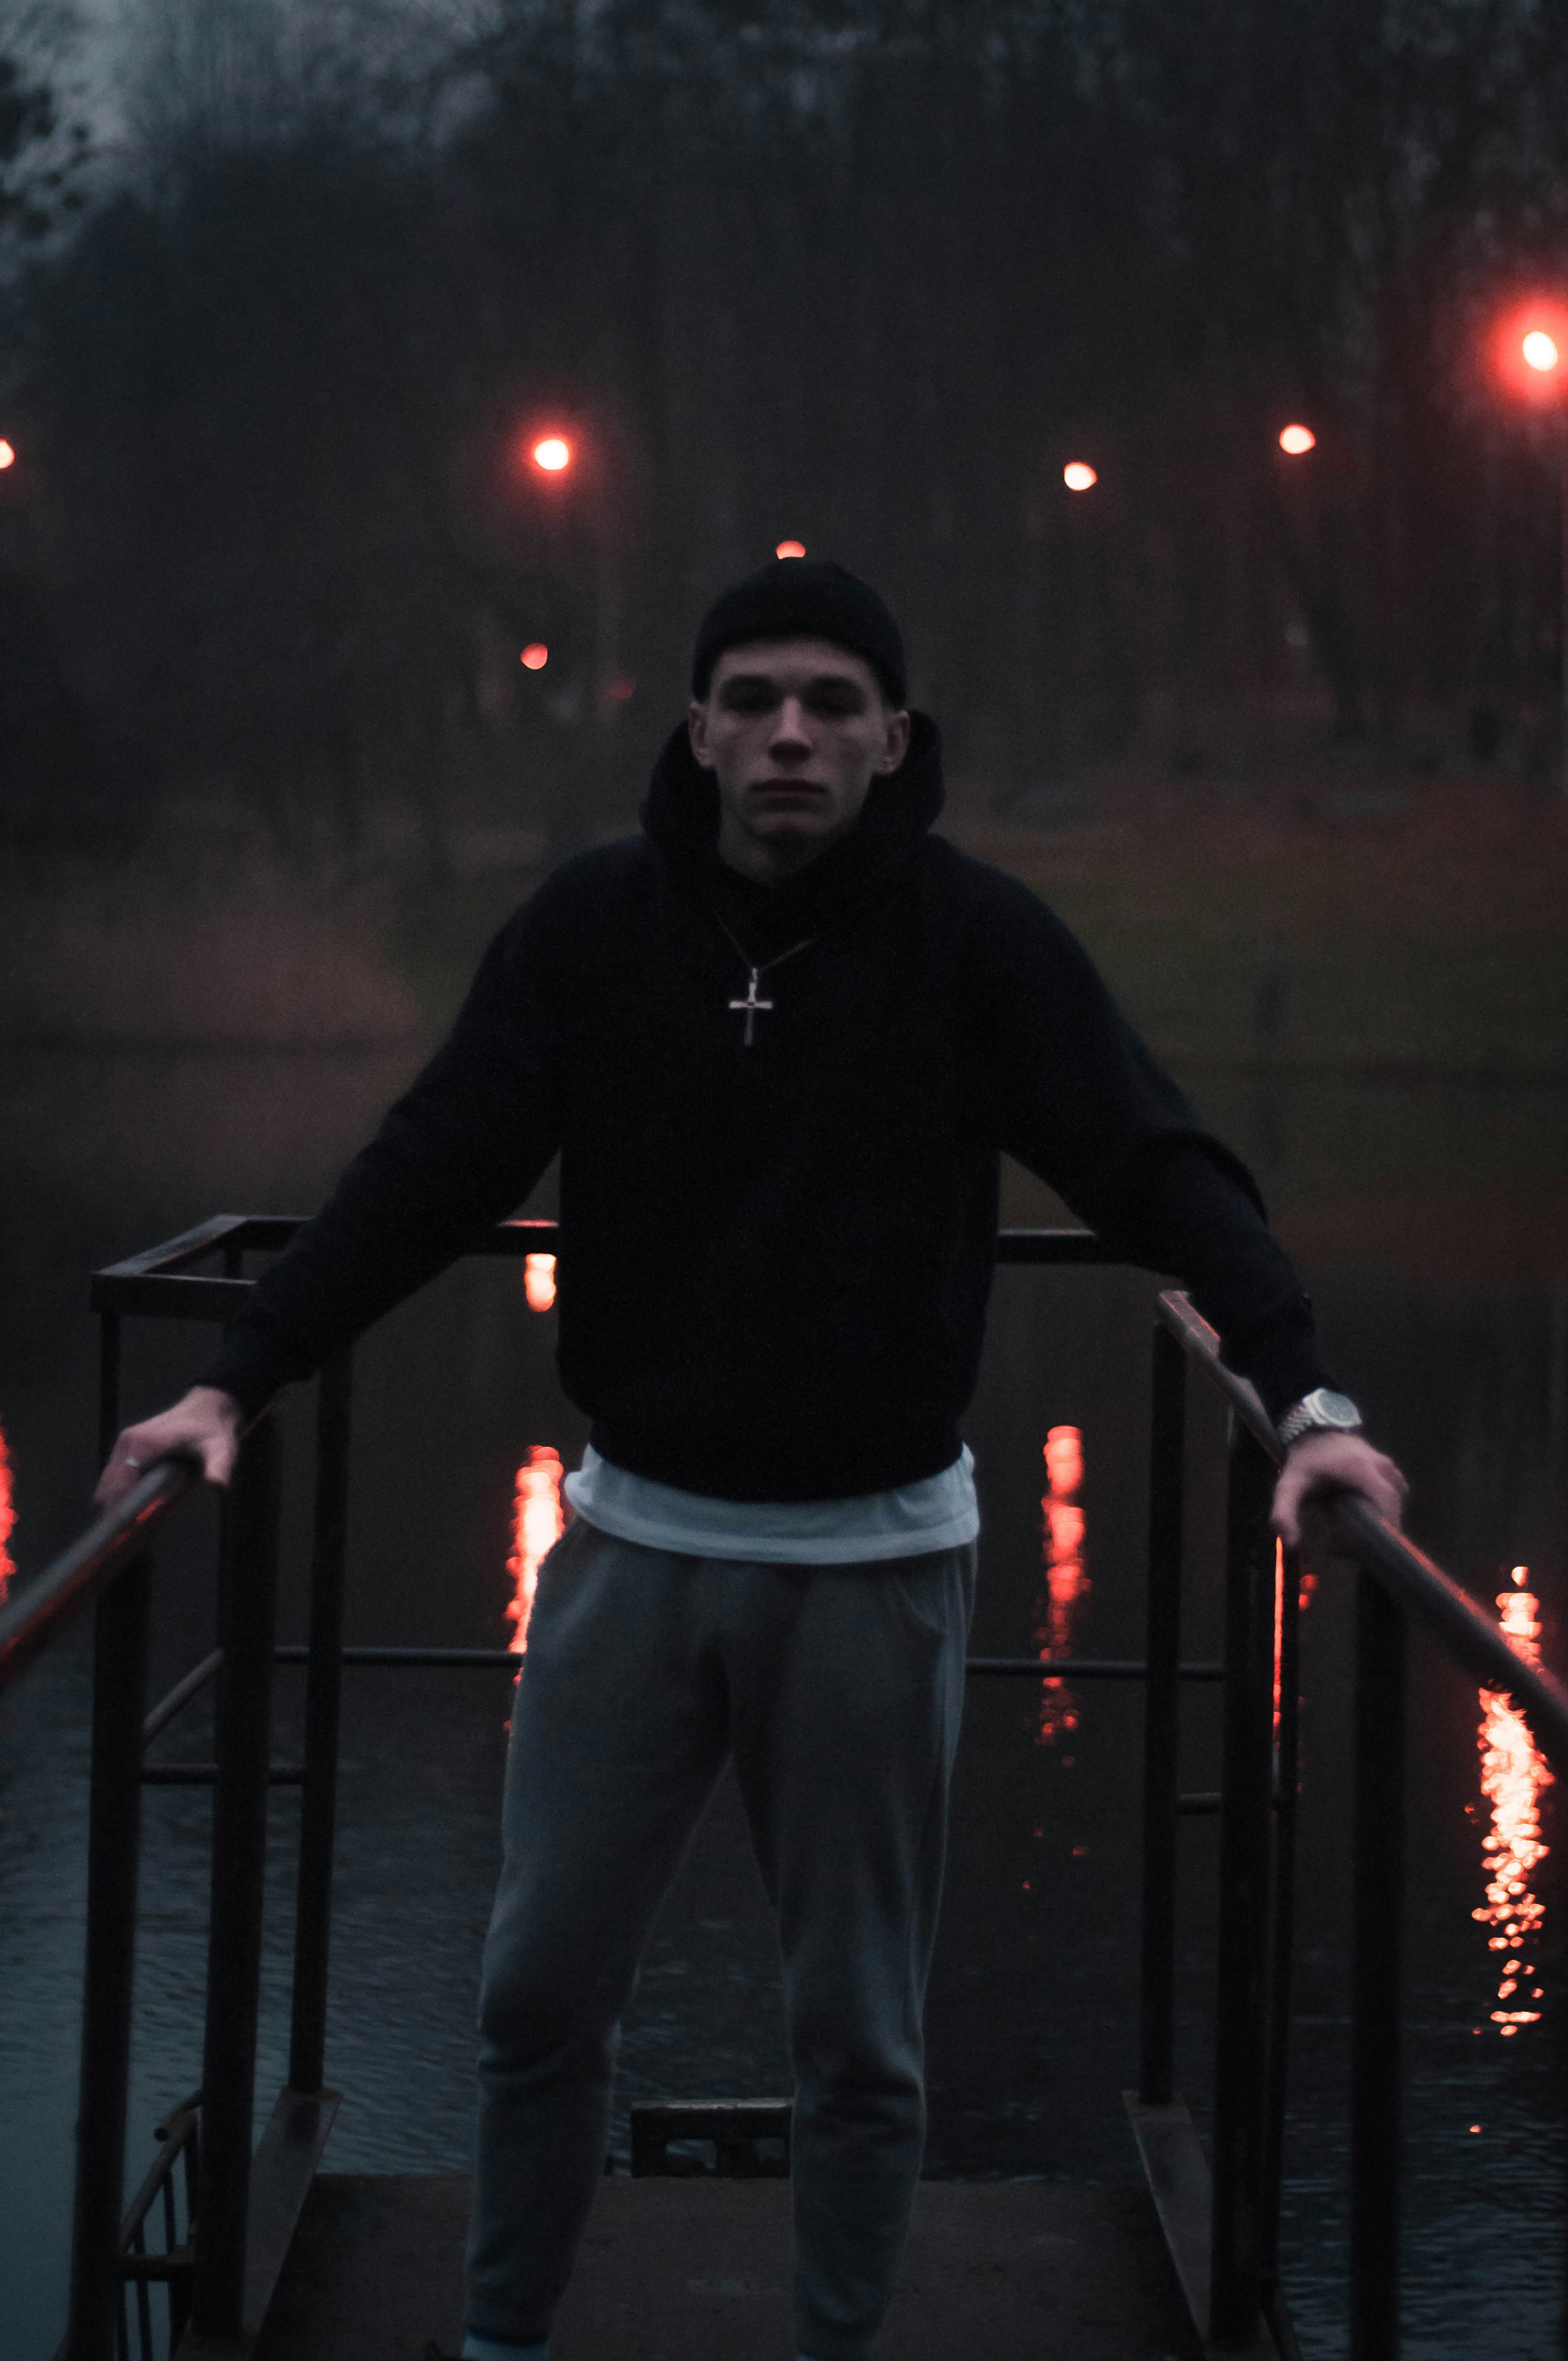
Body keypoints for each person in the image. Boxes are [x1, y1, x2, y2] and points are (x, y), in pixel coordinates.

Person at [97, 559, 1405, 2361]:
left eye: (833, 703)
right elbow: (429, 1170)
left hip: (876, 1566)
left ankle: (836, 2345)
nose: (792, 731)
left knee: (859, 2038)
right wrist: (235, 1382)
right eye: (757, 698)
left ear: (891, 740)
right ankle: (501, 2342)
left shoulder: (978, 944)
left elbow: (1156, 1162)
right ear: (698, 729)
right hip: (633, 1548)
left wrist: (1308, 1402)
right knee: (534, 1995)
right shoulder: (591, 933)